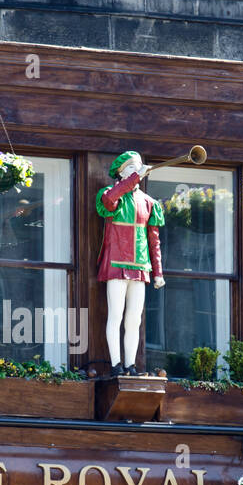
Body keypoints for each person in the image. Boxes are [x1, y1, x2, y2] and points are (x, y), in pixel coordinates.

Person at [96, 151, 164, 376]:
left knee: (134, 319)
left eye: (138, 169)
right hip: (116, 263)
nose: (137, 173)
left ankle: (130, 365)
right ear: (121, 173)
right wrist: (133, 180)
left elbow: (153, 240)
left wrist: (158, 272)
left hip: (140, 265)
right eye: (131, 169)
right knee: (115, 315)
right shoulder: (110, 194)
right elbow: (108, 201)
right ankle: (115, 364)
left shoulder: (149, 202)